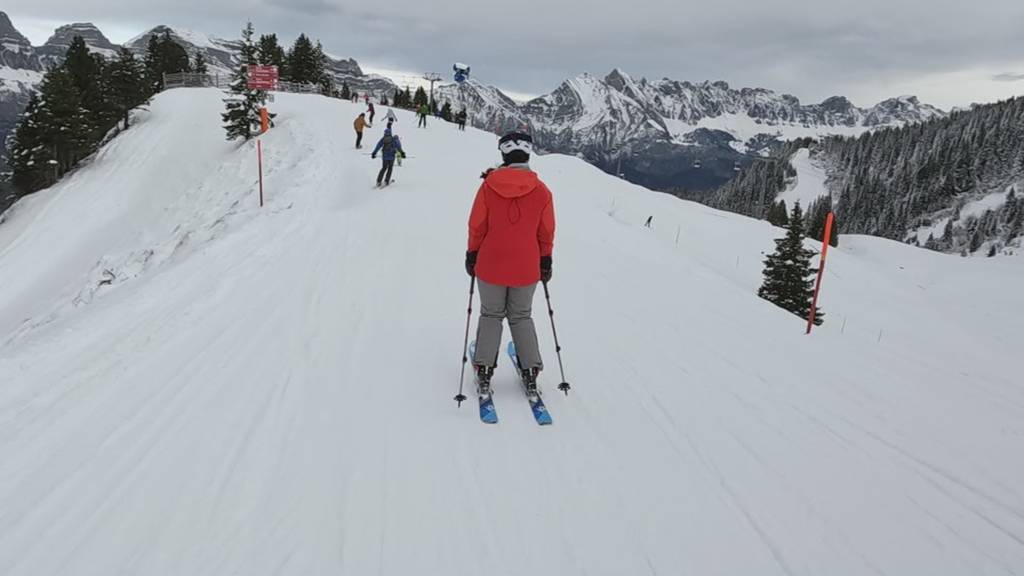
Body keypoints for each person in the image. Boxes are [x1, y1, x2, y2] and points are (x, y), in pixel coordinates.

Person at [465, 131, 555, 395]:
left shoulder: (488, 186)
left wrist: (472, 254)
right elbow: (546, 232)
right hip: (526, 266)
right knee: (521, 315)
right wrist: (545, 260)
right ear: (527, 154)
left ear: (504, 154)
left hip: (490, 263)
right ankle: (530, 369)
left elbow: (477, 226)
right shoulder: (542, 191)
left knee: (491, 314)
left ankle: (483, 369)